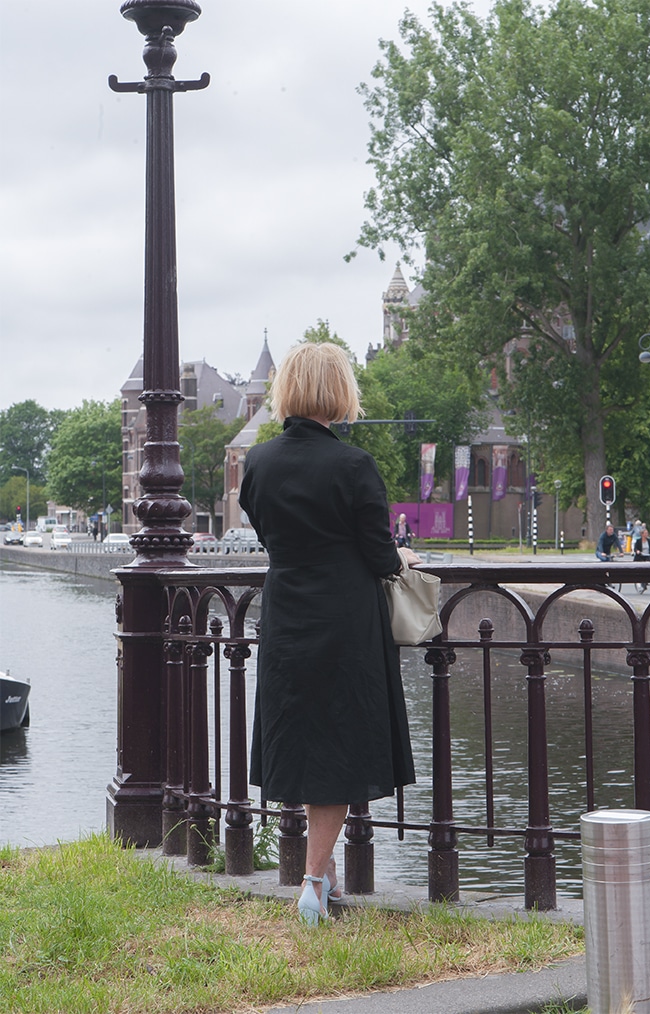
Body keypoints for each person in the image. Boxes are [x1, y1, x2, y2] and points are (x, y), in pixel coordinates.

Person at [239, 342, 417, 926]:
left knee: (304, 743)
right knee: (339, 751)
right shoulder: (353, 464)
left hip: (286, 616)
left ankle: (325, 872)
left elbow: (269, 534)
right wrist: (401, 556)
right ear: (340, 392)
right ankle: (313, 884)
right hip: (345, 622)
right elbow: (379, 555)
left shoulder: (258, 462)